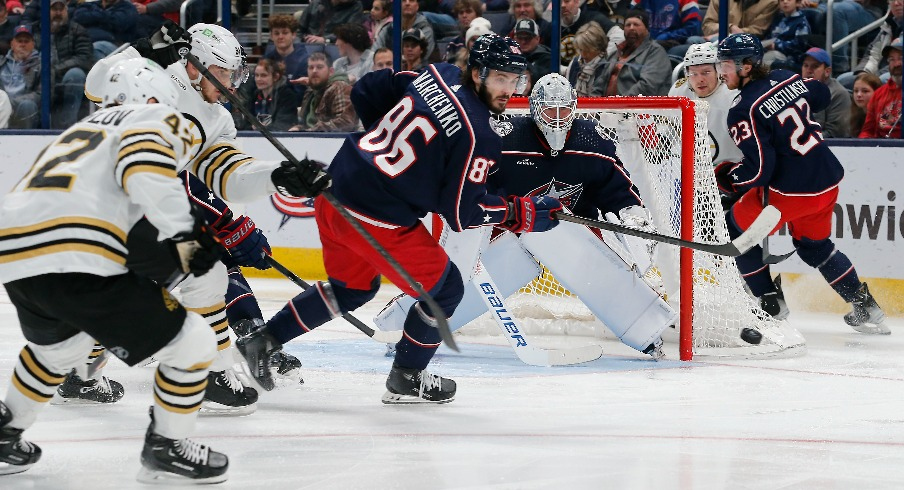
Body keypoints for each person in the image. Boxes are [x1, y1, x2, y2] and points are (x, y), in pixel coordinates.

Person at [236, 34, 563, 403]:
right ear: (477, 72)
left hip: (334, 187)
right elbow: (462, 214)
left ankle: (263, 341)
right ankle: (408, 375)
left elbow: (366, 89)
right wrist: (522, 212)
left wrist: (387, 149)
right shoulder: (479, 136)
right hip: (375, 219)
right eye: (499, 78)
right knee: (447, 290)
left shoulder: (439, 74)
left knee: (352, 288)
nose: (509, 88)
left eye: (515, 79)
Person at [0, 57, 228, 482]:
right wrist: (186, 235)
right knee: (194, 343)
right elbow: (144, 163)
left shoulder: (81, 129)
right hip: (75, 252)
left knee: (58, 351)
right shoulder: (155, 116)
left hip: (15, 252)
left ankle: (4, 430)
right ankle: (167, 446)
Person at [85, 22, 328, 411]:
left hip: (139, 210)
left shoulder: (217, 118)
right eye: (226, 74)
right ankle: (207, 374)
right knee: (197, 276)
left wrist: (279, 176)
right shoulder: (154, 78)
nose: (233, 84)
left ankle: (80, 373)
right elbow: (95, 86)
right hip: (110, 202)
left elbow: (227, 176)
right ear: (198, 66)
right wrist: (141, 49)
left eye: (235, 75)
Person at [375, 74, 676, 359]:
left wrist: (633, 217)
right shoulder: (507, 137)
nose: (557, 119)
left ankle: (645, 328)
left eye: (563, 111)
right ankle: (406, 326)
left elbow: (621, 192)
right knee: (462, 255)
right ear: (534, 110)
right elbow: (472, 186)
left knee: (590, 251)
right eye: (549, 112)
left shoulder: (593, 142)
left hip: (571, 229)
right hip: (507, 223)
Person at [715, 33, 887, 334]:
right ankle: (864, 304)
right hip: (826, 182)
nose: (721, 72)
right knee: (815, 247)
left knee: (733, 231)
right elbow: (821, 94)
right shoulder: (785, 76)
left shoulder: (743, 109)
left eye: (726, 65)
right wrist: (797, 90)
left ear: (746, 66)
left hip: (789, 193)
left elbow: (759, 172)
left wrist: (728, 177)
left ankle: (770, 302)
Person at [668, 42, 743, 167]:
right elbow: (670, 130)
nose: (700, 79)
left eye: (706, 72)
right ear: (686, 74)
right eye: (694, 74)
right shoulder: (679, 91)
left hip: (727, 169)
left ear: (718, 71)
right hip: (688, 168)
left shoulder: (733, 96)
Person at [596, 10, 672, 96]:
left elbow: (647, 87)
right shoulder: (615, 53)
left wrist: (618, 104)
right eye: (628, 25)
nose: (631, 28)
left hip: (638, 107)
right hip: (606, 107)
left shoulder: (656, 52)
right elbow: (599, 85)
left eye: (636, 24)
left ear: (646, 29)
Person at [289, 51, 358, 131]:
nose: (314, 71)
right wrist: (298, 128)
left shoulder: (339, 87)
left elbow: (345, 123)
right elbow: (306, 124)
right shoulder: (310, 91)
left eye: (319, 67)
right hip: (311, 139)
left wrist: (311, 131)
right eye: (311, 67)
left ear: (331, 72)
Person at [237, 59, 301, 132]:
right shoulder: (254, 95)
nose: (258, 79)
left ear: (276, 77)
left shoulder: (287, 96)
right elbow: (245, 124)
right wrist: (252, 127)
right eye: (256, 75)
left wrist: (259, 128)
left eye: (263, 75)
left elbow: (283, 124)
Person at [800, 47, 850, 138]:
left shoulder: (838, 94)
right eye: (805, 65)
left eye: (815, 66)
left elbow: (834, 134)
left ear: (827, 71)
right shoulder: (795, 90)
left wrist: (802, 140)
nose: (809, 70)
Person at [859, 38, 902, 139]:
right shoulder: (879, 94)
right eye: (892, 59)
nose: (897, 64)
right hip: (881, 149)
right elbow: (867, 131)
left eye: (901, 58)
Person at [0, 24, 39, 129]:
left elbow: (41, 94)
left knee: (27, 105)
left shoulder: (41, 65)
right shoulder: (1, 63)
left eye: (26, 41)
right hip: (2, 106)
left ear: (33, 44)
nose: (22, 44)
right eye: (19, 41)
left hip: (22, 108)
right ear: (12, 44)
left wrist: (11, 102)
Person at [263, 14, 309, 97]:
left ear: (293, 35)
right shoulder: (266, 60)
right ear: (271, 36)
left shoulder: (305, 61)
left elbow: (301, 94)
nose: (280, 37)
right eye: (276, 33)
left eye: (285, 33)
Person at [762, 0, 812, 71]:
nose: (785, 2)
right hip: (773, 51)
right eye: (782, 0)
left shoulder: (801, 22)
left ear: (797, 3)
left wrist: (776, 45)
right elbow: (770, 36)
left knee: (767, 59)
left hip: (791, 58)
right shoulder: (778, 18)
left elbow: (799, 46)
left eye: (789, 0)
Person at [564, 20, 608, 96]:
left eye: (588, 50)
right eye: (580, 50)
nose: (583, 55)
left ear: (598, 48)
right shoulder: (575, 63)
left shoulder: (607, 66)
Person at [297, 0, 367, 45]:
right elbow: (299, 30)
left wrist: (325, 39)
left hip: (335, 46)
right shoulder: (316, 3)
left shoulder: (356, 6)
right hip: (308, 45)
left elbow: (351, 33)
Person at [512, 18, 551, 83]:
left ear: (537, 39)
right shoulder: (508, 56)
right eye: (520, 38)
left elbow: (544, 81)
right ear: (514, 38)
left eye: (528, 38)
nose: (523, 41)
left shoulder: (547, 58)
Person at [850, 72, 881, 136]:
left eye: (865, 91)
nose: (858, 95)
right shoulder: (853, 115)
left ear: (877, 92)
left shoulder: (882, 117)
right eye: (856, 91)